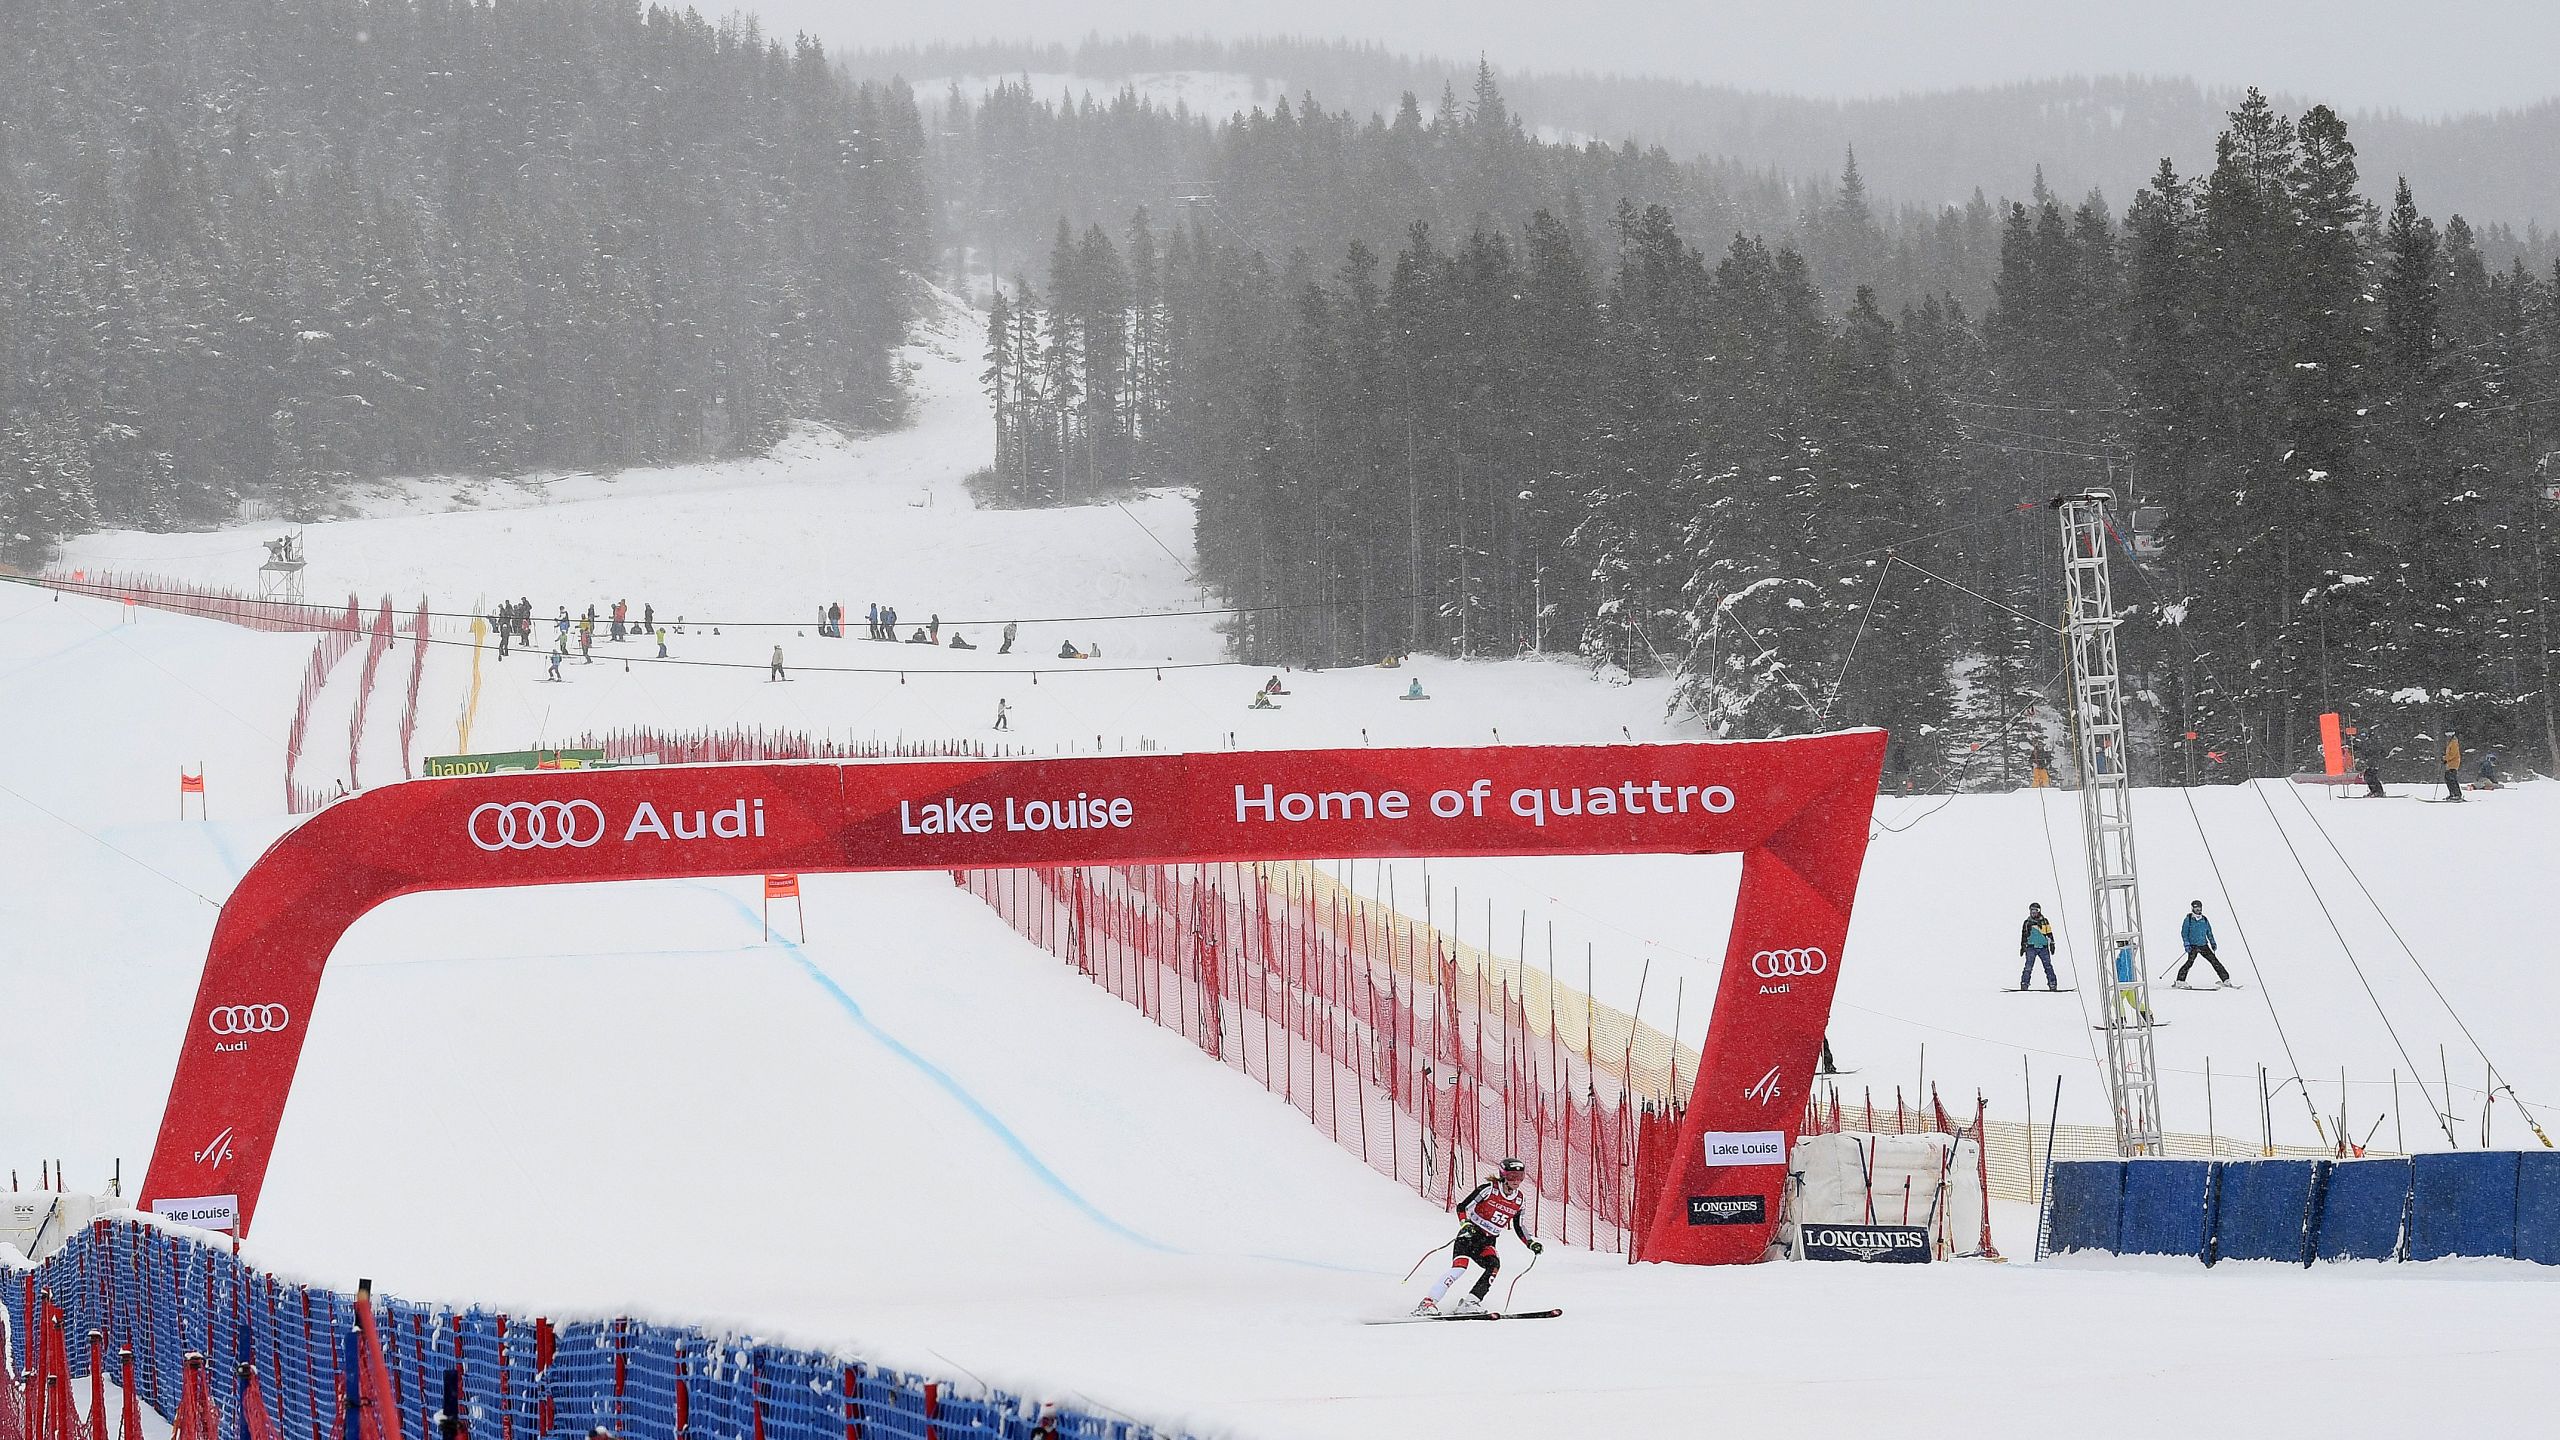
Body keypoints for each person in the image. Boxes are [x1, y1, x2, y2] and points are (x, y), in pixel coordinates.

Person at [1414, 1158, 1542, 1317]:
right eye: (1511, 1176)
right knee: (1460, 1268)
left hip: (1487, 1241)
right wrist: (1465, 1224)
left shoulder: (1519, 1200)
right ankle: (1428, 1303)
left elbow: (1519, 1226)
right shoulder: (1488, 1190)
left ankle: (1470, 1302)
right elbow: (1462, 1207)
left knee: (1493, 1266)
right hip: (1470, 1235)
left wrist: (1530, 1243)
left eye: (1520, 1177)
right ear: (1503, 1176)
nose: (1516, 1181)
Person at [2174, 901, 2230, 987]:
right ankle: (2180, 980)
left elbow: (2209, 932)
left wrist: (2213, 942)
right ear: (2192, 908)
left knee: (2214, 961)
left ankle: (2225, 979)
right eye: (2196, 907)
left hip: (2203, 945)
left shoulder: (2204, 919)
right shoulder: (2188, 919)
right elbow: (2184, 933)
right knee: (2190, 962)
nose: (2198, 909)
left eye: (2200, 907)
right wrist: (2186, 944)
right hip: (2193, 946)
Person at [2018, 902, 2058, 992]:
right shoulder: (2027, 922)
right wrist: (2023, 946)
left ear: (2039, 911)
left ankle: (2052, 984)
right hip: (2031, 947)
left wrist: (2052, 943)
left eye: (2035, 911)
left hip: (2043, 947)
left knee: (2048, 966)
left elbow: (2049, 933)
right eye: (2032, 911)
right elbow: (2024, 935)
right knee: (2028, 966)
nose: (2033, 913)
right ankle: (2024, 984)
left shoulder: (2044, 921)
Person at [2112, 941, 2151, 1022]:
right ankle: (2147, 1014)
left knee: (2116, 1001)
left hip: (2125, 982)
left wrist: (2122, 983)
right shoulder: (2127, 952)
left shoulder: (2125, 952)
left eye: (2119, 943)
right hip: (2129, 981)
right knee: (2133, 1002)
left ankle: (2121, 1019)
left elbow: (2125, 968)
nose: (2118, 945)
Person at [2443, 731, 2464, 802]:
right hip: (2450, 763)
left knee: (2452, 779)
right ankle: (2452, 794)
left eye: (2448, 735)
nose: (2447, 736)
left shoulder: (2454, 742)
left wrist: (2446, 758)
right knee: (2447, 778)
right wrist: (2445, 758)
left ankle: (2457, 794)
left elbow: (2453, 754)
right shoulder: (2451, 742)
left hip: (2454, 763)